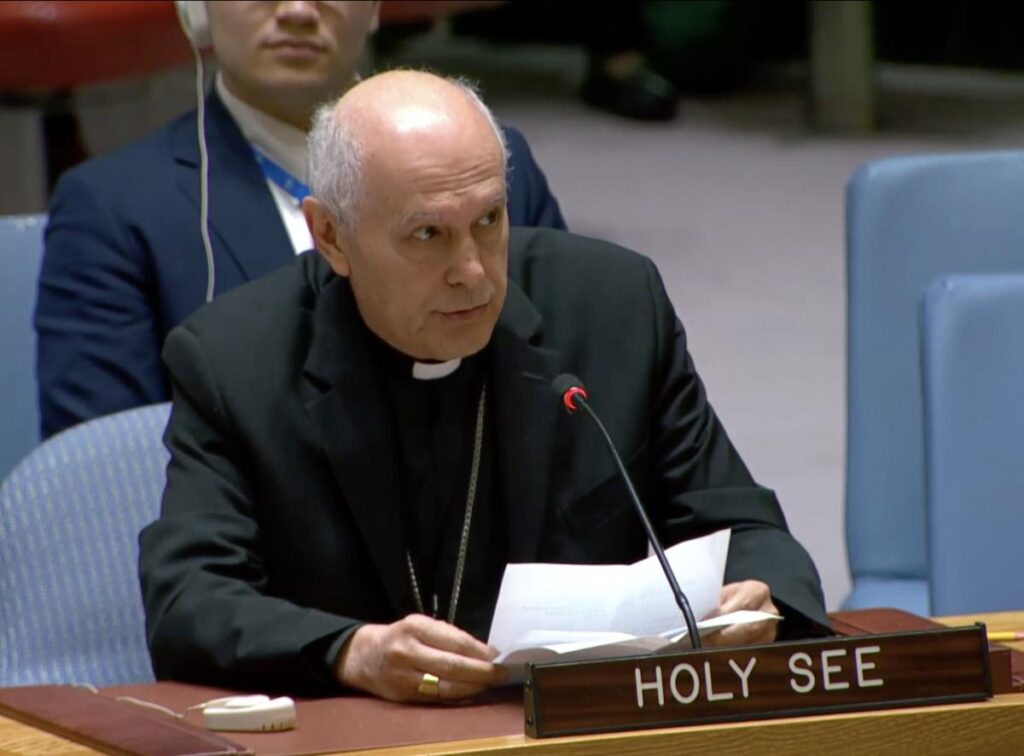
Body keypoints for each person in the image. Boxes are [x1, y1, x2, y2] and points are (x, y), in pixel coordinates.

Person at [139, 70, 828, 703]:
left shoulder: (613, 309)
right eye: (428, 234)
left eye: (489, 221)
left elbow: (746, 528)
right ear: (332, 235)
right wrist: (353, 651)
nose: (471, 271)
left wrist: (760, 604)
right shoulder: (234, 360)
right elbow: (189, 601)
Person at [35, 0, 565, 439]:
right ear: (198, 11)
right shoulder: (114, 206)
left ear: (376, 8)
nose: (295, 10)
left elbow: (567, 380)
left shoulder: (486, 168)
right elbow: (102, 468)